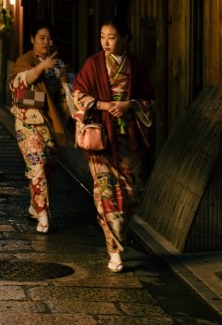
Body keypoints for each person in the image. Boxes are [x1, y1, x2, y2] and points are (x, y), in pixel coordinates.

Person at [71, 18, 154, 273]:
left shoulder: (137, 66)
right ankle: (114, 250)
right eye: (102, 36)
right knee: (107, 195)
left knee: (130, 195)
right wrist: (106, 105)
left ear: (125, 38)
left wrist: (130, 105)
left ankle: (117, 233)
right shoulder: (93, 64)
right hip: (102, 142)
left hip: (128, 138)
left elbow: (149, 99)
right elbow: (78, 96)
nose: (105, 42)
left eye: (112, 37)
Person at [8, 20, 70, 234]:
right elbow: (20, 82)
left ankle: (35, 207)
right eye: (41, 37)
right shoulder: (25, 60)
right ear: (32, 39)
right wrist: (41, 68)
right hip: (28, 122)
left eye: (49, 38)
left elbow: (66, 93)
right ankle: (43, 215)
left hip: (51, 123)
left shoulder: (59, 65)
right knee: (38, 166)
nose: (46, 41)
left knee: (49, 168)